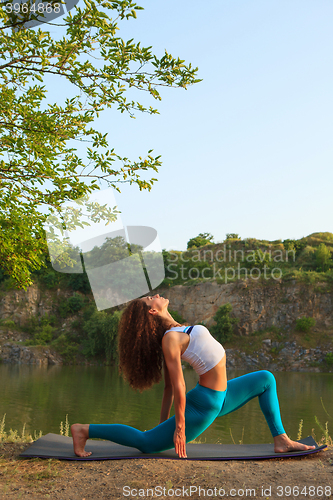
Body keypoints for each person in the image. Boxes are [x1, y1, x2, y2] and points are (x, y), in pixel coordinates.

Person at [71, 294, 315, 458]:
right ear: (153, 310)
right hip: (205, 404)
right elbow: (176, 386)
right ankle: (84, 430)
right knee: (146, 444)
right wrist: (178, 426)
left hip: (223, 394)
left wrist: (162, 423)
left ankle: (281, 440)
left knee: (266, 379)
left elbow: (168, 388)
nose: (155, 295)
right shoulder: (170, 340)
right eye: (150, 298)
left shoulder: (177, 330)